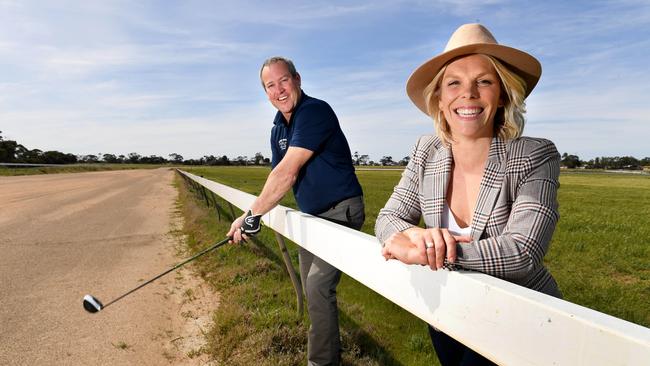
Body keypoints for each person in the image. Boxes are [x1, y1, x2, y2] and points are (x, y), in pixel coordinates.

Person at [374, 24, 562, 366]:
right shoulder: (425, 150)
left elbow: (523, 251)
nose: (469, 93)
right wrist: (413, 236)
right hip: (447, 309)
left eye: (484, 81)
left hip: (517, 318)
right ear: (440, 99)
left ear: (503, 94)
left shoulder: (535, 155)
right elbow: (388, 218)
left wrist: (430, 252)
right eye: (454, 82)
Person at [228, 56, 365, 366]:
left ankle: (321, 362)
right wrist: (256, 214)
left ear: (298, 79)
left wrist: (250, 215)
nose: (279, 90)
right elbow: (275, 180)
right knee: (312, 289)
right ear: (265, 93)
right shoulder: (278, 127)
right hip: (311, 218)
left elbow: (287, 174)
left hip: (340, 211)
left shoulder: (314, 111)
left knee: (317, 287)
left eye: (283, 81)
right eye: (270, 85)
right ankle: (325, 352)